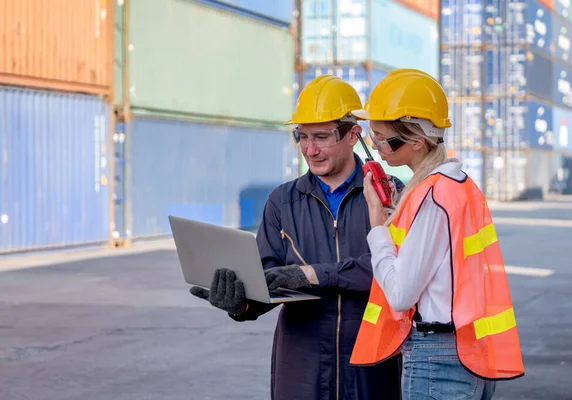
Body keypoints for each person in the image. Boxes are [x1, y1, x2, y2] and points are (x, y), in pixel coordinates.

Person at [190, 75, 405, 399]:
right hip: (302, 372)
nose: (310, 149)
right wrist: (241, 303)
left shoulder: (389, 195)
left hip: (374, 367)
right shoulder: (282, 202)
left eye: (321, 137)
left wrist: (311, 275)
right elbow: (267, 280)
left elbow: (391, 270)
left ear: (353, 135)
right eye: (301, 137)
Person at [348, 69, 525, 399]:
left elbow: (401, 294)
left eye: (383, 139)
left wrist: (376, 224)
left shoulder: (429, 197)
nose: (376, 147)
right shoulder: (461, 186)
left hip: (439, 360)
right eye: (372, 137)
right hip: (469, 352)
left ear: (417, 140)